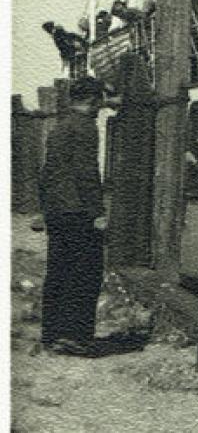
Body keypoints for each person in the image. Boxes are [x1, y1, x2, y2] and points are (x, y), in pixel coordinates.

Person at [38, 76, 106, 355]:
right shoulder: (85, 127)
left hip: (57, 211)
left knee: (58, 271)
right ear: (92, 100)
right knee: (85, 273)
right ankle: (76, 337)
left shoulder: (59, 127)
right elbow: (87, 174)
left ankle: (52, 334)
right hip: (79, 212)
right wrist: (98, 212)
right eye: (100, 100)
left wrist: (46, 210)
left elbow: (46, 174)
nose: (102, 106)